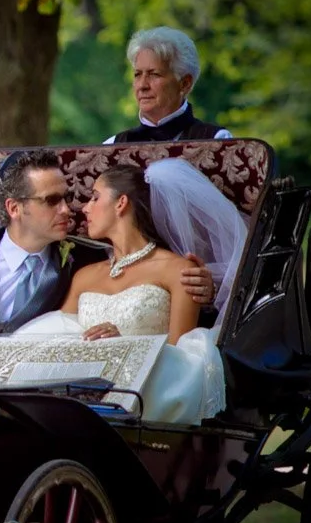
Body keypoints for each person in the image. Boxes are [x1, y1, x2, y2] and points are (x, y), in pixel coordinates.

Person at [0, 151, 217, 384]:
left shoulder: (89, 261)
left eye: (66, 198)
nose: (69, 210)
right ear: (15, 208)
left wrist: (205, 289)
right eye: (51, 201)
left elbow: (158, 304)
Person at [13, 162, 233, 423]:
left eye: (95, 197)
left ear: (121, 203)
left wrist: (125, 346)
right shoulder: (84, 276)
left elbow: (178, 361)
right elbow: (58, 337)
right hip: (81, 403)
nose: (84, 208)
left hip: (144, 404)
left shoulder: (179, 271)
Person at [107, 27, 232, 144]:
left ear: (185, 83)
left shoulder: (217, 141)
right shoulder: (111, 146)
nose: (142, 85)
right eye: (137, 74)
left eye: (154, 74)